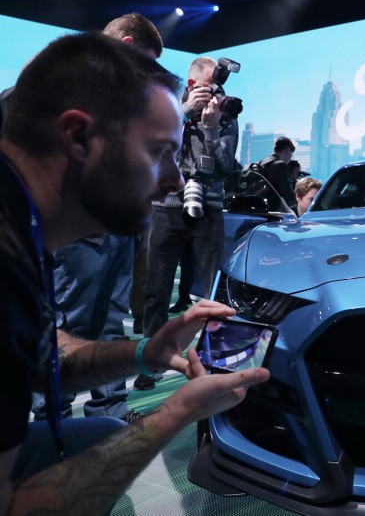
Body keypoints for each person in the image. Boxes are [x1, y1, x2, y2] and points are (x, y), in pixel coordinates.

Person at [0, 31, 269, 514]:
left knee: (102, 432)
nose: (176, 180)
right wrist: (176, 413)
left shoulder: (19, 223)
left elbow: (41, 354)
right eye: (159, 152)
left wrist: (145, 352)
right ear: (79, 137)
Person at [0, 12, 165, 420]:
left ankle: (109, 407)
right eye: (146, 62)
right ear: (127, 47)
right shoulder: (40, 90)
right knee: (66, 322)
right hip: (73, 236)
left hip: (114, 231)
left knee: (111, 319)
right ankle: (51, 415)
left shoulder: (124, 105)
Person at [142, 56, 240, 389]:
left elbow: (225, 166)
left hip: (209, 207)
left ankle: (214, 363)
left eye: (220, 87)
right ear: (192, 84)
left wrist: (211, 129)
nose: (217, 93)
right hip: (167, 205)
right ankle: (151, 363)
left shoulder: (226, 113)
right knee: (156, 291)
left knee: (214, 292)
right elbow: (152, 149)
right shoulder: (168, 107)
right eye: (210, 87)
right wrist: (183, 113)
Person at [256, 136, 296, 209]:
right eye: (291, 154)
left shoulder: (261, 163)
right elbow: (287, 193)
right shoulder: (281, 165)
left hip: (260, 206)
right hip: (274, 209)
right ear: (287, 150)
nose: (291, 157)